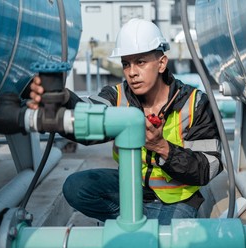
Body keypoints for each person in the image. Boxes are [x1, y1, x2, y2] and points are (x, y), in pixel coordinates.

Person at [27, 18, 223, 225]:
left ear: (162, 63)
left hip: (176, 199)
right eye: (126, 64)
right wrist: (63, 99)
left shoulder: (195, 104)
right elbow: (88, 116)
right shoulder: (117, 95)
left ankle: (138, 226)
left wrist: (163, 148)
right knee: (76, 187)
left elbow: (206, 169)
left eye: (140, 62)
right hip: (130, 189)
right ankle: (132, 221)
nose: (132, 72)